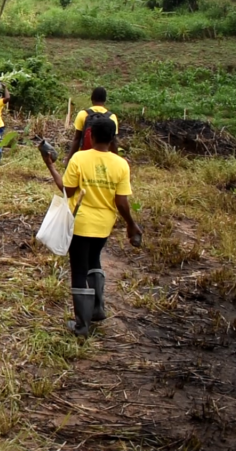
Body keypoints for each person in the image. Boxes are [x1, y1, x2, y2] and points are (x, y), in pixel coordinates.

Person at [42, 118, 141, 336]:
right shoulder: (121, 164)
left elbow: (66, 189)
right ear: (113, 138)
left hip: (80, 223)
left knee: (78, 269)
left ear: (91, 136)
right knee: (94, 260)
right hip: (104, 224)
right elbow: (122, 202)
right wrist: (131, 224)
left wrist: (50, 165)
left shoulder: (80, 158)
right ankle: (97, 309)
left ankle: (81, 325)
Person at [64, 87, 119, 166]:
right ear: (105, 100)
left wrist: (68, 159)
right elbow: (114, 142)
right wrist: (116, 161)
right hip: (104, 160)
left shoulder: (83, 114)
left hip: (84, 158)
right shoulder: (112, 117)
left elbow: (77, 139)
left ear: (92, 98)